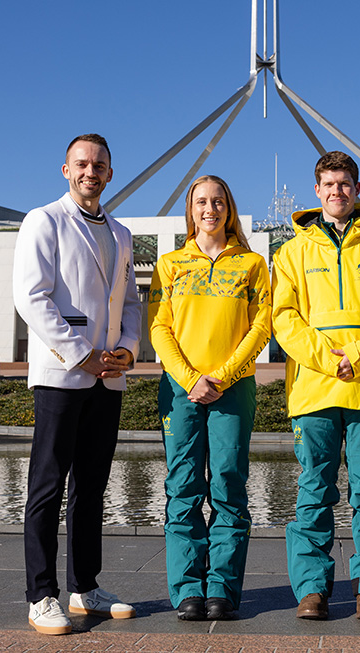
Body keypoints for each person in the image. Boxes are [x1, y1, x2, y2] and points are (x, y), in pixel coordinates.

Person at [271, 151, 360, 622]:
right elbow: (284, 320)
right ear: (317, 190)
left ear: (357, 189)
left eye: (345, 183)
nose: (337, 191)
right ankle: (312, 589)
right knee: (314, 490)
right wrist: (332, 363)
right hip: (314, 390)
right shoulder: (290, 254)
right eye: (329, 184)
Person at [13, 133, 141, 635]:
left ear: (110, 173)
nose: (91, 172)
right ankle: (41, 595)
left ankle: (85, 586)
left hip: (107, 378)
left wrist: (127, 349)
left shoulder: (122, 233)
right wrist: (81, 354)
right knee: (47, 486)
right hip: (62, 375)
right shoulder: (44, 220)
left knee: (91, 487)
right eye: (82, 164)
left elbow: (130, 302)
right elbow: (32, 297)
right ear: (66, 170)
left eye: (99, 165)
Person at [148, 175, 272, 621]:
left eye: (218, 201)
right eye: (201, 201)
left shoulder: (253, 265)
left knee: (228, 486)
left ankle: (221, 587)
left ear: (229, 208)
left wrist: (222, 375)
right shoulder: (170, 265)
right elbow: (159, 327)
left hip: (232, 390)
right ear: (190, 209)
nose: (210, 209)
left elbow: (261, 326)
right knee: (182, 487)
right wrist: (189, 378)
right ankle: (187, 588)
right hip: (180, 391)